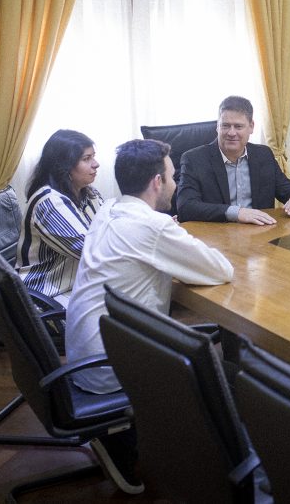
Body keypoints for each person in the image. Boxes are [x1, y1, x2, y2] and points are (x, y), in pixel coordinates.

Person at [66, 138, 234, 396]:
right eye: (172, 177)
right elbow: (221, 270)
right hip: (114, 368)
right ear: (157, 182)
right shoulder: (153, 226)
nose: (175, 184)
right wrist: (172, 236)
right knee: (226, 373)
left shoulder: (108, 208)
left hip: (83, 358)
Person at [178, 95, 290, 225]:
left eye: (238, 126)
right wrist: (236, 213)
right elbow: (186, 207)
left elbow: (289, 190)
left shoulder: (263, 155)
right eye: (225, 126)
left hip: (260, 236)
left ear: (251, 126)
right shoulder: (194, 160)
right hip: (217, 237)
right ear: (217, 127)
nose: (231, 133)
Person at [16, 129, 103, 304]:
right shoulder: (50, 203)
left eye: (93, 156)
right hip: (48, 295)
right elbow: (92, 251)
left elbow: (112, 225)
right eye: (87, 159)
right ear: (64, 166)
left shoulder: (88, 193)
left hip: (76, 284)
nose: (96, 164)